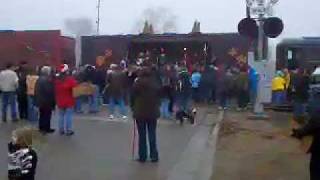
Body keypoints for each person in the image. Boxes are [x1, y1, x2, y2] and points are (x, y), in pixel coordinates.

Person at [130, 67, 161, 163]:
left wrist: (133, 107)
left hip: (140, 112)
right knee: (152, 134)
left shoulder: (137, 82)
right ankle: (154, 156)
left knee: (142, 135)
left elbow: (132, 96)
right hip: (153, 112)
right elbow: (159, 95)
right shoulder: (155, 83)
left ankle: (142, 156)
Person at [292, 86, 320, 180]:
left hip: (318, 152)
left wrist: (297, 133)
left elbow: (308, 129)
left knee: (316, 171)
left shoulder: (317, 116)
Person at [55, 64, 77, 136]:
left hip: (60, 100)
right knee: (68, 116)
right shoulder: (70, 79)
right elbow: (75, 88)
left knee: (61, 116)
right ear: (67, 71)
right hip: (69, 100)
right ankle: (68, 130)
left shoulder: (57, 79)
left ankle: (61, 130)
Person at [34, 66, 55, 134]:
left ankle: (42, 128)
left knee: (42, 114)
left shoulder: (39, 79)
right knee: (47, 115)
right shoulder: (47, 80)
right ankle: (45, 128)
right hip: (46, 100)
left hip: (40, 100)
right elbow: (49, 91)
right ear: (47, 72)